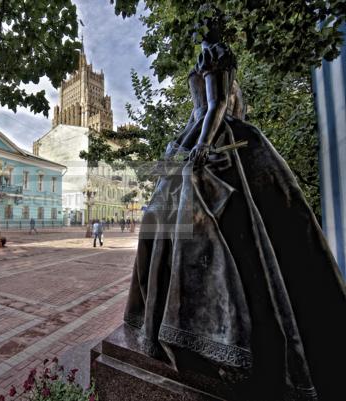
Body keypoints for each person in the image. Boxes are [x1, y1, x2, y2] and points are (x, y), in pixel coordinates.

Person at [124, 14, 346, 401]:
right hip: (196, 135)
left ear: (212, 28)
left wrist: (202, 146)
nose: (197, 30)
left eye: (202, 24)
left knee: (185, 223)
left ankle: (207, 331)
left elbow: (220, 103)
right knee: (158, 218)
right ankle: (163, 319)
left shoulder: (216, 53)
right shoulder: (204, 56)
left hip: (206, 140)